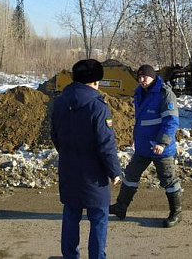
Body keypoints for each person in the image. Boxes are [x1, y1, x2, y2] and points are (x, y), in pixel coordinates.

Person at [51, 59, 122, 259]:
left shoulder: (60, 102)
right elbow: (105, 143)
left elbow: (55, 135)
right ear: (95, 81)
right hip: (94, 174)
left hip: (69, 169)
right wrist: (114, 171)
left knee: (71, 215)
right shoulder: (98, 105)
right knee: (99, 218)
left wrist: (68, 154)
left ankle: (70, 256)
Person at [109, 64, 182, 228]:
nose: (142, 80)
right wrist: (135, 138)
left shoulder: (164, 94)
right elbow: (141, 121)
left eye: (145, 77)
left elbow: (170, 121)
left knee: (168, 180)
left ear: (153, 76)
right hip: (143, 146)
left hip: (160, 148)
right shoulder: (139, 93)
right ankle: (121, 207)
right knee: (131, 175)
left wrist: (162, 143)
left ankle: (176, 213)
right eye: (139, 77)